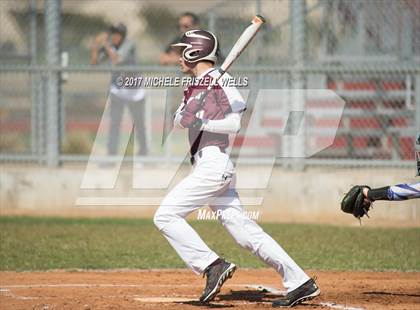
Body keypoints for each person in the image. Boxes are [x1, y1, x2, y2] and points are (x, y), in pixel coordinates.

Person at [153, 29, 320, 307]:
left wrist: (201, 121)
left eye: (182, 50)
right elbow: (179, 122)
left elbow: (234, 124)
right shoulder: (196, 85)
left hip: (214, 164)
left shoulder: (222, 80)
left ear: (195, 52)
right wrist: (187, 112)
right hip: (208, 166)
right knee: (244, 232)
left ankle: (211, 265)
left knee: (165, 216)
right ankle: (300, 281)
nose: (177, 56)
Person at [91, 23, 148, 157]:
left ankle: (144, 152)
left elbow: (117, 59)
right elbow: (94, 62)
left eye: (117, 34)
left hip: (135, 92)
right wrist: (96, 44)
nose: (114, 37)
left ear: (123, 36)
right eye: (113, 34)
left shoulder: (129, 44)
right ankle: (111, 155)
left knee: (139, 124)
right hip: (118, 91)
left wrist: (105, 44)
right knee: (114, 124)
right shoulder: (110, 47)